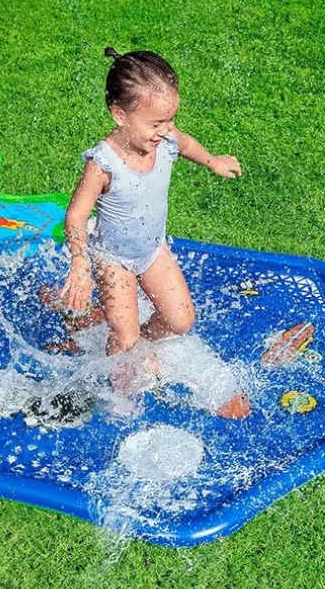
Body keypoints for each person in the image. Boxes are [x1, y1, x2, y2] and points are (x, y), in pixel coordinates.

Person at [59, 48, 249, 418]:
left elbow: (186, 143)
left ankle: (143, 345)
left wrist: (212, 160)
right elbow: (76, 216)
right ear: (120, 115)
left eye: (170, 120)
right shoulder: (104, 163)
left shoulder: (166, 137)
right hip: (114, 259)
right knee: (124, 336)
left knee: (180, 320)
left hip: (151, 250)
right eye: (156, 123)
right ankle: (121, 388)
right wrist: (80, 262)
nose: (165, 131)